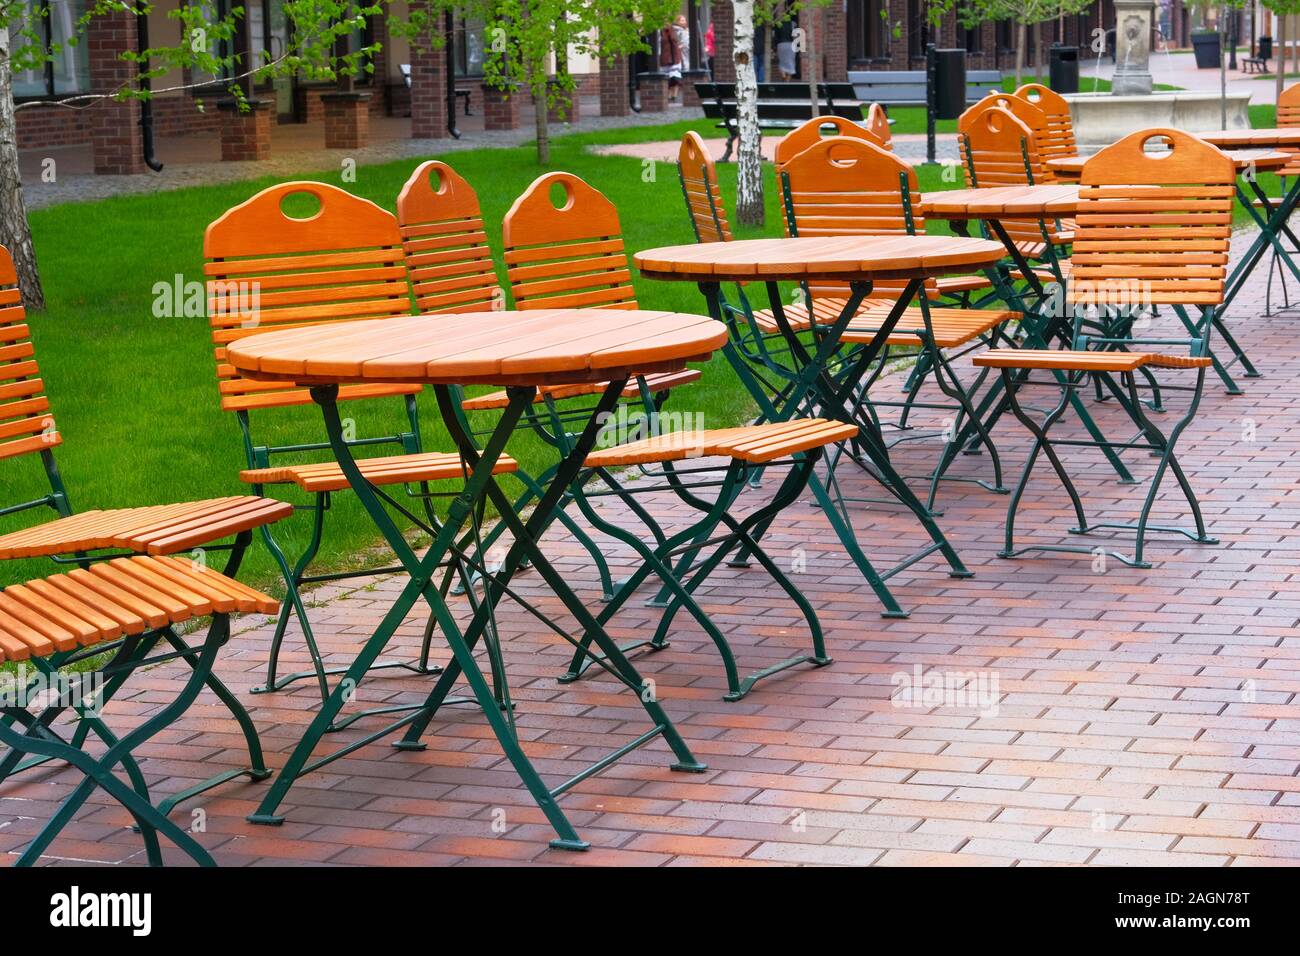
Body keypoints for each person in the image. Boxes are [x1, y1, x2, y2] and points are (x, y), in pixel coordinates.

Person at [661, 20, 684, 102]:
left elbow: (676, 41)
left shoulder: (675, 31)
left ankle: (674, 95)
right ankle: (669, 94)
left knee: (675, 78)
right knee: (668, 78)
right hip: (665, 58)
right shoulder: (660, 33)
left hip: (675, 57)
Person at [774, 13, 796, 80]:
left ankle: (783, 75)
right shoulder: (793, 23)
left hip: (781, 45)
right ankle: (788, 80)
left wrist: (774, 46)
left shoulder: (778, 24)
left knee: (782, 62)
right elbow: (795, 35)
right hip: (790, 44)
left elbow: (776, 36)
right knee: (791, 62)